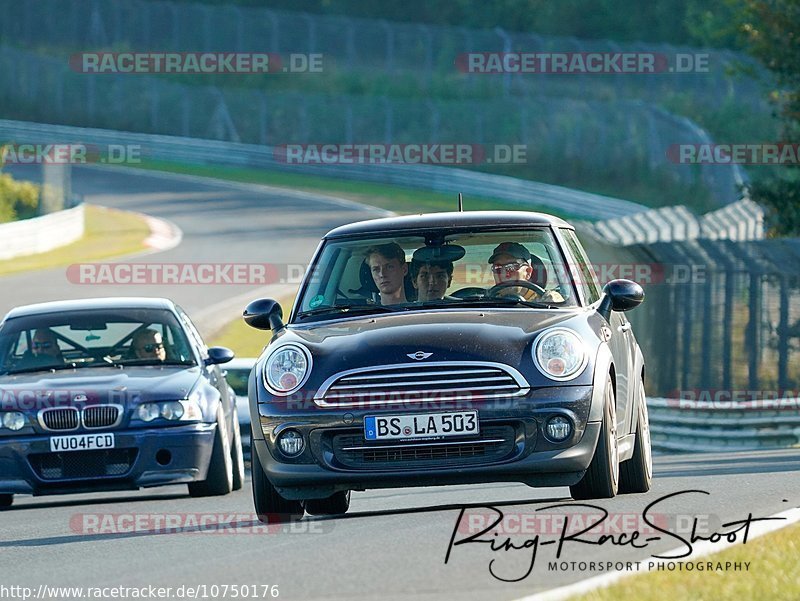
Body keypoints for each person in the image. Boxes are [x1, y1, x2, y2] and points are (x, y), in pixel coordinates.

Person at [487, 241, 565, 302]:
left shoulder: (546, 300)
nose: (504, 273)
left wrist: (555, 304)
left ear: (528, 272)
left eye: (512, 267)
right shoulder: (485, 303)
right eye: (498, 268)